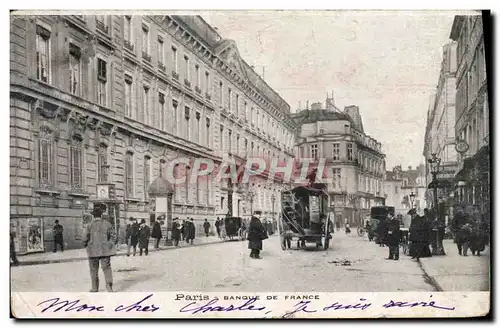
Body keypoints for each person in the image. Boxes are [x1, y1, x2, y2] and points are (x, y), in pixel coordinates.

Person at [83, 203, 116, 292]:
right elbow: (114, 236)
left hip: (92, 251)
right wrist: (110, 244)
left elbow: (85, 238)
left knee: (93, 270)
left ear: (93, 216)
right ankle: (109, 286)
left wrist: (85, 244)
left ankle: (94, 288)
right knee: (107, 268)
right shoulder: (107, 224)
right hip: (105, 250)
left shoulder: (89, 225)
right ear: (101, 215)